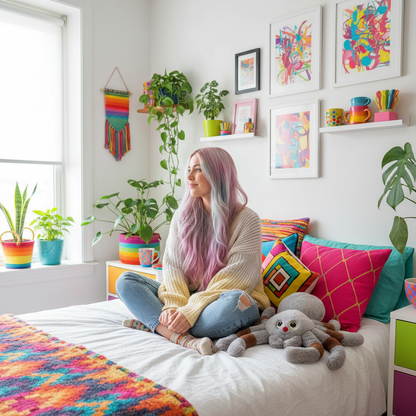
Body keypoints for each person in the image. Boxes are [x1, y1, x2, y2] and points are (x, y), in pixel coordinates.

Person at [116, 147, 270, 355]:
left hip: (227, 302)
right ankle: (180, 336)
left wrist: (189, 311)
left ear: (218, 174)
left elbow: (237, 278)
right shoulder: (182, 217)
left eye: (197, 169)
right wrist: (173, 306)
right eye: (188, 169)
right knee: (126, 281)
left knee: (235, 302)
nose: (189, 177)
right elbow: (173, 267)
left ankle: (158, 326)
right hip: (190, 300)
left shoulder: (247, 219)